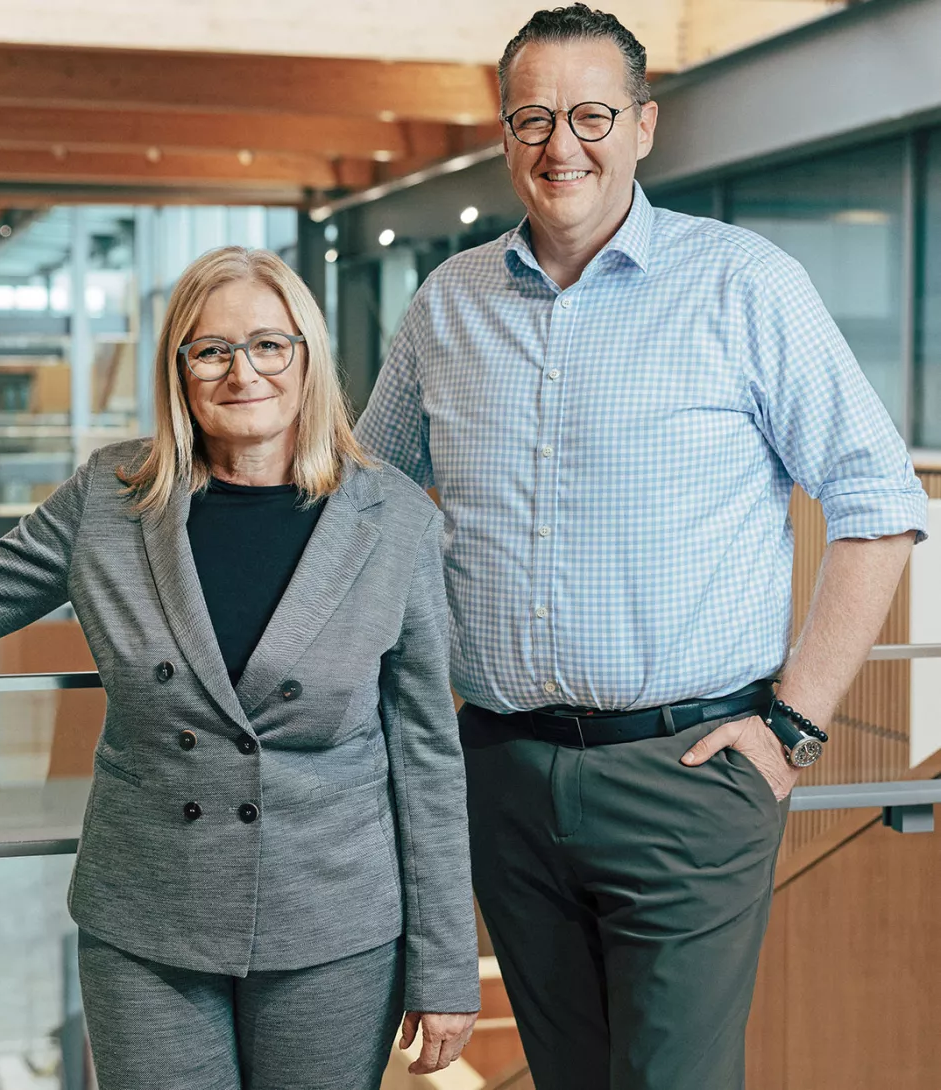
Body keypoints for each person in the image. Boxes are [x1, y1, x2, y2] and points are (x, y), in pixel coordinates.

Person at [354, 5, 928, 1089]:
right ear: (503, 130)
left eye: (589, 114)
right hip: (500, 773)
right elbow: (358, 498)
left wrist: (793, 725)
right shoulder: (449, 303)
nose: (558, 144)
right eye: (531, 117)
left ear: (643, 126)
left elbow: (878, 499)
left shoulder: (741, 282)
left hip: (690, 775)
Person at [0, 246, 479, 1090]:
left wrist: (445, 965)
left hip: (330, 932)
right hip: (146, 923)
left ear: (307, 356)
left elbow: (426, 753)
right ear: (179, 370)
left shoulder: (393, 517)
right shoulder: (111, 497)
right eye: (210, 350)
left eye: (268, 344)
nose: (241, 371)